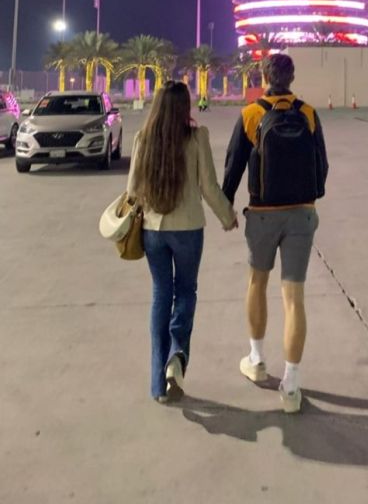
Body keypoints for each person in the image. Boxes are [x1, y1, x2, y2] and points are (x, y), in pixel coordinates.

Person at [222, 53, 328, 414]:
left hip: (263, 213)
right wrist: (309, 199)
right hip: (301, 213)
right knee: (294, 298)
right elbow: (322, 166)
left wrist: (226, 208)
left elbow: (233, 166)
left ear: (264, 77)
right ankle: (292, 386)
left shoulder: (251, 114)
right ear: (292, 77)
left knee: (257, 283)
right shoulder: (308, 113)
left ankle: (256, 359)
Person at [127, 81, 237, 403]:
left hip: (153, 230)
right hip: (188, 229)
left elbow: (132, 190)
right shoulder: (197, 137)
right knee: (186, 291)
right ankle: (176, 357)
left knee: (161, 294)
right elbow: (209, 187)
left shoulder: (143, 138)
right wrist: (227, 216)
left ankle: (157, 384)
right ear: (185, 106)